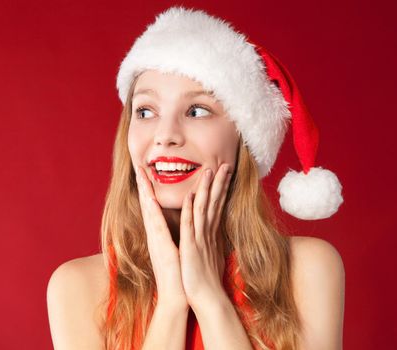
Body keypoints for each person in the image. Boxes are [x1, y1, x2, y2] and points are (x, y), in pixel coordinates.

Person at [47, 6, 345, 350]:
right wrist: (172, 304)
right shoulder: (78, 286)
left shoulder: (308, 269)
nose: (166, 135)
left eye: (196, 111)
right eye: (145, 111)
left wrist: (209, 298)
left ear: (243, 139)